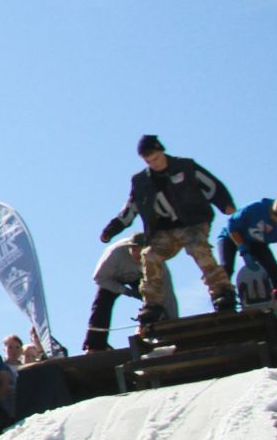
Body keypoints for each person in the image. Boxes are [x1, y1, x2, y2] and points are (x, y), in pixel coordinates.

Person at [100, 134, 238, 322]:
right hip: (164, 230)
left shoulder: (185, 167)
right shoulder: (141, 182)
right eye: (149, 161)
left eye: (156, 158)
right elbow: (130, 209)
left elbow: (212, 185)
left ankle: (222, 292)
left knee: (198, 247)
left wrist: (225, 204)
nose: (154, 163)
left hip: (192, 223)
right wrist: (111, 229)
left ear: (162, 151)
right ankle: (153, 304)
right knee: (149, 255)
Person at [84, 237, 180, 351]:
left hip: (140, 278)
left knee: (155, 300)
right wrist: (125, 291)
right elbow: (99, 278)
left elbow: (167, 293)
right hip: (112, 278)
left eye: (140, 251)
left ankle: (158, 333)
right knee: (102, 302)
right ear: (128, 248)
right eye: (134, 250)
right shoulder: (115, 254)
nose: (136, 254)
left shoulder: (156, 260)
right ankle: (95, 345)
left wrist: (174, 323)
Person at [222, 196, 277, 304]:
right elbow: (232, 225)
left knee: (274, 270)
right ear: (276, 214)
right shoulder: (257, 209)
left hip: (256, 243)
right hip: (231, 236)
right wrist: (242, 247)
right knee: (226, 267)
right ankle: (223, 296)